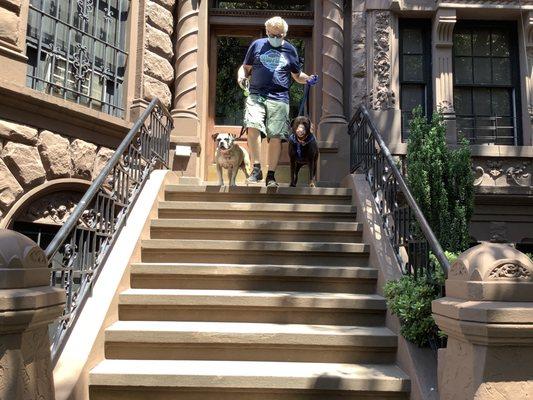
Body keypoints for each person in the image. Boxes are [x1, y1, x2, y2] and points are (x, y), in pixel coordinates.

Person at [237, 16, 318, 187]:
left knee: (275, 136)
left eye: (278, 35)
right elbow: (245, 68)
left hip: (279, 98)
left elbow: (297, 76)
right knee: (253, 125)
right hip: (256, 94)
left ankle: (271, 176)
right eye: (272, 35)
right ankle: (257, 169)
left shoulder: (290, 50)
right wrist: (241, 77)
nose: (275, 38)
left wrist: (308, 78)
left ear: (284, 35)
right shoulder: (257, 45)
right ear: (267, 32)